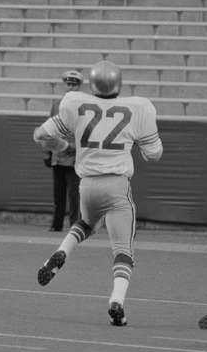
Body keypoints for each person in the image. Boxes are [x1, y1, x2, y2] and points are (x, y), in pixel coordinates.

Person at [32, 60, 163, 326]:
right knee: (123, 250)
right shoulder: (138, 107)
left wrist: (60, 145)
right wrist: (134, 139)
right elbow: (154, 154)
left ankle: (60, 254)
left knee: (87, 223)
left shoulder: (74, 102)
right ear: (119, 83)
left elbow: (39, 135)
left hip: (88, 184)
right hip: (116, 185)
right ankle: (117, 301)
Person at [43, 70, 84, 231]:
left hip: (74, 157)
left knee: (75, 195)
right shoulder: (56, 106)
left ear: (79, 87)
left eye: (74, 85)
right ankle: (56, 224)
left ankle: (75, 226)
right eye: (69, 84)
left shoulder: (84, 108)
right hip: (58, 157)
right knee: (58, 195)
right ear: (64, 85)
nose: (71, 87)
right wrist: (47, 153)